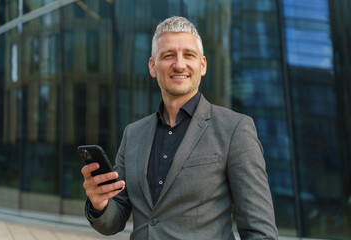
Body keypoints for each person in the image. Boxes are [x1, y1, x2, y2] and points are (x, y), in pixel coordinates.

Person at [81, 16, 278, 240]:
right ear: (153, 66)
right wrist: (100, 203)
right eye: (168, 56)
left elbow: (260, 231)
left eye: (189, 55)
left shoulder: (235, 129)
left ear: (202, 65)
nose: (179, 64)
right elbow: (114, 220)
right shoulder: (133, 134)